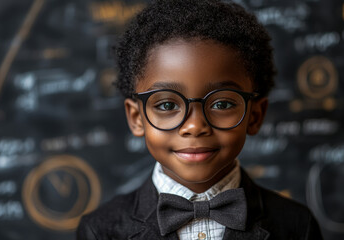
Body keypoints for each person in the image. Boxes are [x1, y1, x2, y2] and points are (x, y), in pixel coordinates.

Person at [77, 0, 323, 239]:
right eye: (167, 105)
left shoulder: (297, 226)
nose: (194, 126)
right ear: (136, 118)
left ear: (255, 116)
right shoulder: (100, 230)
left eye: (222, 104)